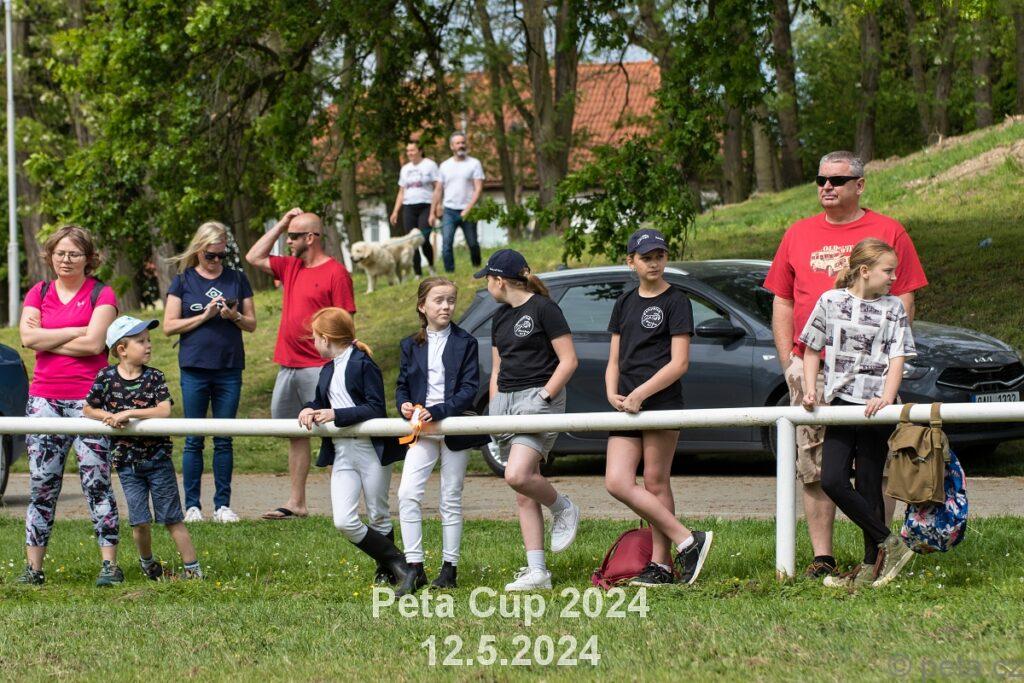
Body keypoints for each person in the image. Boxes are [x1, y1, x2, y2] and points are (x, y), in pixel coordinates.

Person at [763, 150, 928, 578]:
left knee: (874, 471)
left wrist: (885, 372)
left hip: (872, 379)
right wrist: (791, 364)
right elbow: (782, 300)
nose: (826, 187)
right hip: (817, 375)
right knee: (816, 469)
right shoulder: (797, 233)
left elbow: (904, 297)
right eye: (821, 180)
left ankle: (876, 560)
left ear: (859, 184)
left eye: (836, 180)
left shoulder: (889, 230)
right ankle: (824, 558)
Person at [799, 238, 916, 588]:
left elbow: (898, 356)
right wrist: (810, 389)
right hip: (840, 405)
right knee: (832, 480)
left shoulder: (894, 307)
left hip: (876, 410)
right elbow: (811, 349)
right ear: (864, 271)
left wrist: (887, 397)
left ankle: (871, 567)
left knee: (868, 483)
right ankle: (889, 542)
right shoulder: (830, 301)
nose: (894, 277)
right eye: (888, 271)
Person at [603, 228, 713, 587]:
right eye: (646, 257)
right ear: (630, 262)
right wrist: (612, 392)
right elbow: (615, 358)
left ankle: (661, 565)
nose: (653, 263)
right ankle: (688, 539)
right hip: (626, 405)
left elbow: (679, 363)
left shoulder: (676, 301)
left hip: (661, 402)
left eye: (659, 256)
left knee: (655, 480)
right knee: (617, 481)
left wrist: (642, 393)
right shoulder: (624, 302)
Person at [17, 225, 121, 587]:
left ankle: (109, 565)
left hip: (90, 402)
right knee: (41, 485)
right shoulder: (39, 292)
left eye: (74, 254)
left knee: (97, 482)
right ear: (50, 256)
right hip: (43, 400)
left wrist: (47, 338)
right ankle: (33, 569)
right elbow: (27, 337)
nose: (66, 260)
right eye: (59, 253)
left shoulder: (101, 293)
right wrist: (77, 331)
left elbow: (95, 345)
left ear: (88, 258)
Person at [476, 249, 580, 591]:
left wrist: (544, 397)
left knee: (517, 475)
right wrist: (495, 406)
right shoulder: (499, 317)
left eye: (487, 279)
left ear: (499, 281)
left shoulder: (545, 309)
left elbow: (568, 360)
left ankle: (563, 508)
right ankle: (538, 573)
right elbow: (498, 368)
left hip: (538, 397)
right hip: (504, 402)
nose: (486, 285)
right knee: (523, 490)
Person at [245, 208, 356, 520]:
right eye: (287, 235)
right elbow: (253, 256)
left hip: (320, 367)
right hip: (288, 366)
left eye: (293, 236)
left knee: (333, 434)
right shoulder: (291, 266)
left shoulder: (336, 272)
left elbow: (346, 324)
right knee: (296, 432)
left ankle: (344, 505)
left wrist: (339, 366)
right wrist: (282, 223)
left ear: (311, 237)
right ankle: (297, 503)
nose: (288, 241)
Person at [83, 317, 203, 581]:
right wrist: (108, 416)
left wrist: (129, 413)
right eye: (141, 341)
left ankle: (193, 570)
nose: (148, 345)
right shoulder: (106, 378)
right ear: (121, 349)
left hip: (158, 461)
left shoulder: (154, 377)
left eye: (148, 340)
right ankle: (148, 565)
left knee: (172, 518)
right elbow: (88, 408)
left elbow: (164, 409)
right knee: (139, 521)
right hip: (127, 464)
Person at [297, 308, 410, 588]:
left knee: (378, 513)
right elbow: (319, 401)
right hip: (342, 451)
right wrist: (308, 408)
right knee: (343, 520)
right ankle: (398, 561)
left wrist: (336, 414)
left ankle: (386, 569)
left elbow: (375, 407)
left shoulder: (363, 364)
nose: (314, 343)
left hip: (370, 449)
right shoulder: (327, 369)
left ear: (326, 338)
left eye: (315, 338)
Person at [395, 277, 488, 595]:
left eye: (450, 300)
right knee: (407, 493)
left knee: (450, 496)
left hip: (453, 427)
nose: (446, 306)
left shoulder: (466, 342)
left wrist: (439, 410)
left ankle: (449, 569)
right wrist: (404, 405)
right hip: (422, 430)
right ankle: (414, 566)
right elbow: (402, 385)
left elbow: (469, 389)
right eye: (439, 300)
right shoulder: (410, 345)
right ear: (422, 306)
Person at [163, 221, 256, 523]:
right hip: (194, 367)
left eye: (221, 255)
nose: (216, 261)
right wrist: (205, 316)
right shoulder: (183, 281)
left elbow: (252, 324)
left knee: (224, 438)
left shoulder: (238, 278)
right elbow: (168, 326)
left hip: (229, 367)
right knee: (194, 438)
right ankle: (192, 506)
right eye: (210, 255)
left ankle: (222, 506)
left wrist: (234, 316)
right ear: (198, 250)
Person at [433, 132, 484, 273]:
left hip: (469, 210)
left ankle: (477, 268)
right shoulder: (444, 165)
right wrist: (436, 207)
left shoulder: (474, 163)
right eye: (458, 143)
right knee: (446, 244)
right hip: (449, 210)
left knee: (473, 243)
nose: (461, 145)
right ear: (452, 146)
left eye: (463, 142)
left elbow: (478, 188)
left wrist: (469, 208)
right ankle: (450, 273)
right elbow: (438, 189)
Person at [390, 140, 439, 276]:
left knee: (423, 239)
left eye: (412, 150)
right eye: (408, 151)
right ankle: (418, 273)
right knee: (411, 241)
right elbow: (401, 192)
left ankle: (431, 266)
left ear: (420, 151)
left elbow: (437, 188)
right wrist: (395, 211)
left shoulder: (430, 165)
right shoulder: (405, 169)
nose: (409, 153)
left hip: (426, 205)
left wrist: (436, 208)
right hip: (409, 207)